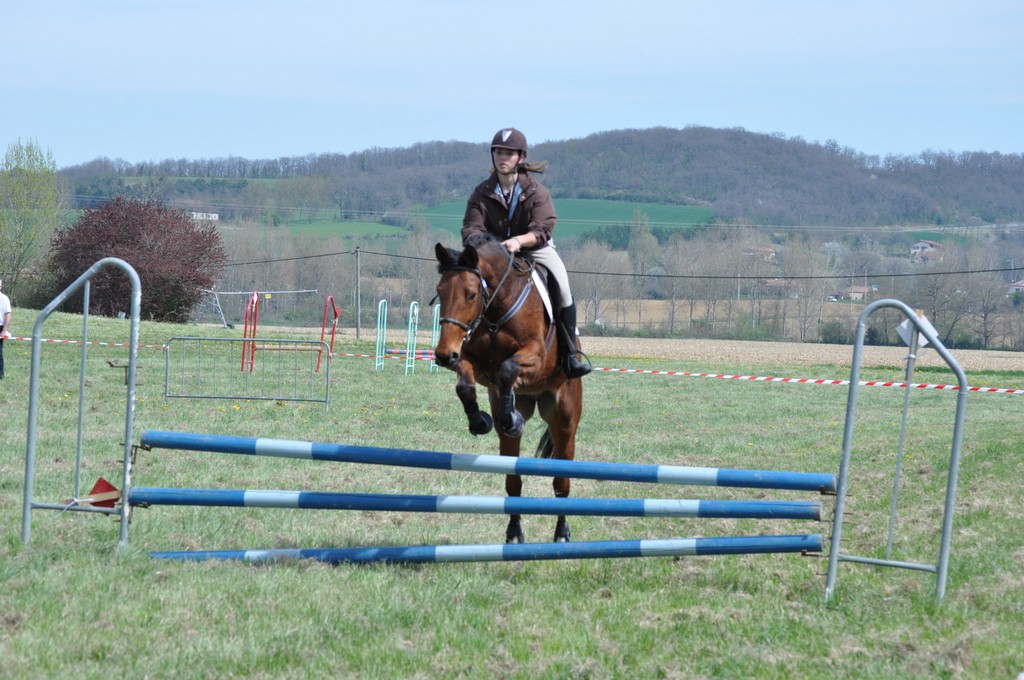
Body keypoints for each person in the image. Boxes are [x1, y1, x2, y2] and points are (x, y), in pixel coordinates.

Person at [462, 127, 591, 378]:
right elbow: (471, 227)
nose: (502, 157)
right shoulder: (481, 193)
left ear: (520, 157)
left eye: (509, 153)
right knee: (463, 283)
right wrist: (487, 247)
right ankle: (458, 346)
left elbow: (544, 228)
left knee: (563, 288)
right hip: (494, 256)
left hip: (534, 250)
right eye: (498, 151)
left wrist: (518, 241)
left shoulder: (536, 191)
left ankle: (570, 355)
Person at [0, 278, 11, 379]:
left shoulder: (4, 298)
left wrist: (4, 331)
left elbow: (8, 314)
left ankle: (0, 375)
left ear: (1, 287)